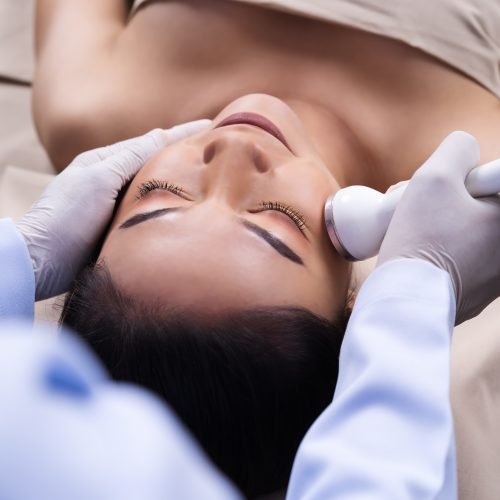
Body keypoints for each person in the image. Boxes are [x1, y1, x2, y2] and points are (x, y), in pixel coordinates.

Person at [32, 1, 500, 495]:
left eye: (161, 196)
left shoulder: (87, 110)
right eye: (278, 220)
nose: (233, 153)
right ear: (357, 308)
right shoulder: (480, 173)